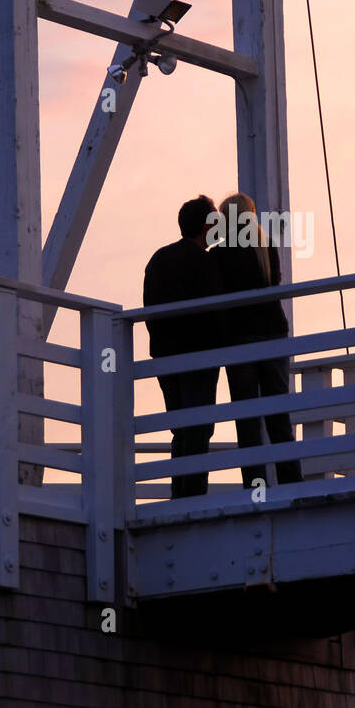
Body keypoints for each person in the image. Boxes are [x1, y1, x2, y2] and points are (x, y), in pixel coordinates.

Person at [213, 192, 303, 490]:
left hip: (240, 337)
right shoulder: (265, 247)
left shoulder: (221, 254)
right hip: (273, 332)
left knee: (247, 418)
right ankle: (291, 479)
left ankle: (255, 485)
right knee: (278, 412)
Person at [143, 196, 223, 498]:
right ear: (207, 226)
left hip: (165, 354)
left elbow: (150, 307)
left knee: (180, 426)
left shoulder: (159, 259)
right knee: (199, 428)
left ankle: (180, 493)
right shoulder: (205, 262)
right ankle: (193, 495)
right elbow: (216, 311)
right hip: (198, 356)